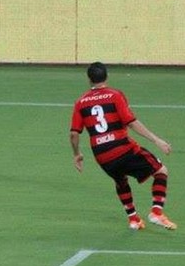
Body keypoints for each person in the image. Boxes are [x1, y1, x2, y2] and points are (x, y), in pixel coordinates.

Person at [69, 62, 176, 230]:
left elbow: (74, 133)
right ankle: (156, 212)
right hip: (123, 149)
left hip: (102, 156)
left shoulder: (80, 103)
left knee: (120, 180)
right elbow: (131, 122)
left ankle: (133, 219)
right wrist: (157, 140)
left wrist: (77, 154)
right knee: (161, 171)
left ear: (89, 79)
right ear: (107, 76)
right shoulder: (115, 95)